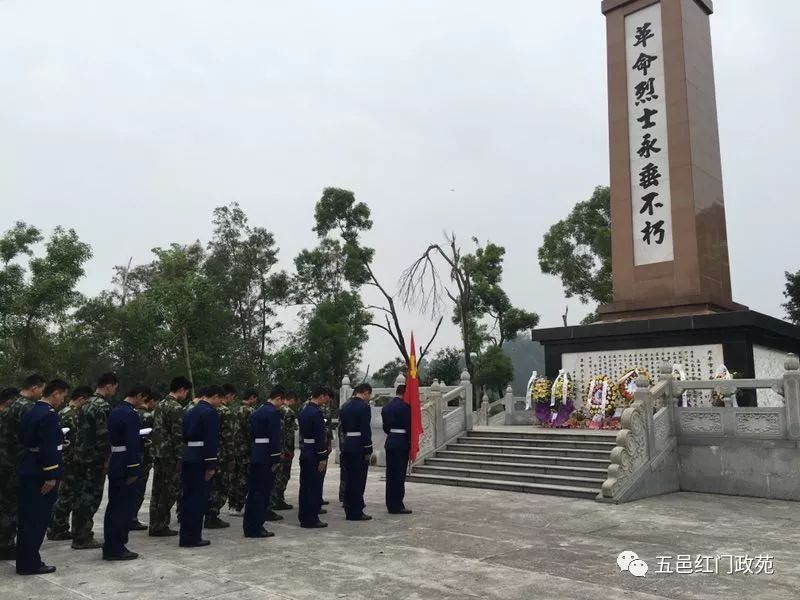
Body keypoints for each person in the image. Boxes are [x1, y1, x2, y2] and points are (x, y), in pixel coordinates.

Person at [16, 379, 68, 575]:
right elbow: (47, 446)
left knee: (27, 519)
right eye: (62, 395)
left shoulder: (31, 411)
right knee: (37, 519)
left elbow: (24, 438)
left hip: (28, 465)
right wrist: (51, 475)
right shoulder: (49, 415)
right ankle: (30, 563)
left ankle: (25, 559)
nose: (63, 400)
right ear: (55, 393)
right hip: (41, 471)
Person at [0, 374, 46, 560]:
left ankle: (4, 542)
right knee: (14, 506)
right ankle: (6, 545)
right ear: (34, 388)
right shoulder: (27, 408)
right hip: (18, 462)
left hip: (4, 459)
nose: (42, 393)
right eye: (42, 389)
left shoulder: (9, 404)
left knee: (4, 504)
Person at [71, 372, 119, 550]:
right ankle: (83, 537)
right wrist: (107, 459)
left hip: (81, 457)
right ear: (108, 386)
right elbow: (104, 436)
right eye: (115, 387)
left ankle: (77, 532)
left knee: (80, 496)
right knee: (90, 498)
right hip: (94, 460)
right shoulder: (102, 407)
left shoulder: (85, 404)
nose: (115, 391)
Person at [103, 385, 149, 561]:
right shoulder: (130, 414)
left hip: (116, 460)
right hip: (125, 463)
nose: (142, 403)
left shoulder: (115, 410)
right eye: (142, 399)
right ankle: (117, 547)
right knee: (123, 508)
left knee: (114, 506)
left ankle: (111, 544)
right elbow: (132, 443)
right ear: (137, 395)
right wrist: (134, 468)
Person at [179, 385, 222, 548]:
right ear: (215, 396)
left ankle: (186, 535)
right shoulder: (209, 412)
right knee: (198, 499)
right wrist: (211, 464)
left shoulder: (190, 411)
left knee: (188, 497)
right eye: (220, 399)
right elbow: (211, 440)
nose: (220, 402)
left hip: (189, 454)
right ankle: (193, 536)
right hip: (201, 458)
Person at [48, 385, 93, 540]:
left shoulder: (61, 412)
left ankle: (56, 526)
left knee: (63, 494)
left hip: (62, 459)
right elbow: (77, 440)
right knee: (68, 495)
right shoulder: (74, 415)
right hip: (72, 461)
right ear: (81, 399)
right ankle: (59, 528)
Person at [149, 376, 192, 537]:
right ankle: (160, 525)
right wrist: (181, 457)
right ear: (181, 390)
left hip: (159, 453)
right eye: (186, 391)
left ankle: (155, 523)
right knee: (169, 490)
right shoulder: (175, 408)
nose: (186, 395)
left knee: (157, 490)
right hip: (170, 455)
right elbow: (178, 435)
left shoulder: (160, 405)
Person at [243, 386, 283, 538]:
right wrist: (276, 458)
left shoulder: (257, 411)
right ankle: (256, 527)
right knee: (263, 493)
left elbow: (251, 434)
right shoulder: (272, 413)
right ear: (278, 398)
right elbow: (274, 437)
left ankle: (249, 525)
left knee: (253, 492)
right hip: (267, 455)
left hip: (256, 453)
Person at [297, 386, 332, 528]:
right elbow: (319, 437)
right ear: (322, 396)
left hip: (305, 449)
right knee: (313, 486)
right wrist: (322, 457)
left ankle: (304, 516)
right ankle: (311, 518)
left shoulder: (304, 411)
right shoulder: (317, 413)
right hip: (314, 452)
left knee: (305, 486)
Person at [339, 383, 374, 521]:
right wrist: (368, 448)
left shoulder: (345, 406)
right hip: (359, 445)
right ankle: (356, 511)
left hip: (348, 444)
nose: (368, 398)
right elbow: (365, 429)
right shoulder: (364, 407)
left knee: (349, 479)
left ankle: (348, 508)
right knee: (358, 480)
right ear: (365, 392)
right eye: (368, 395)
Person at [205, 383, 236, 529]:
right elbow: (228, 436)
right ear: (227, 395)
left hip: (207, 453)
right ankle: (212, 515)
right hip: (221, 454)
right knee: (221, 486)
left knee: (209, 485)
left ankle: (205, 513)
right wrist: (231, 456)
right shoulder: (224, 411)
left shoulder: (204, 409)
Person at [381, 385, 413, 515]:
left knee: (390, 474)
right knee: (399, 475)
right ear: (404, 393)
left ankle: (390, 503)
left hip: (390, 441)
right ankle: (397, 505)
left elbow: (386, 428)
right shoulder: (405, 407)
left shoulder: (387, 407)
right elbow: (409, 427)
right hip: (401, 442)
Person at [228, 389, 258, 517]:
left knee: (233, 477)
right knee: (244, 478)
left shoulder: (234, 409)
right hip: (245, 450)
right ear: (251, 397)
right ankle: (240, 505)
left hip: (234, 449)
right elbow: (253, 431)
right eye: (255, 399)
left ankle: (232, 505)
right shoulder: (250, 411)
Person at [130, 390, 157, 531]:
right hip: (144, 457)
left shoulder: (132, 413)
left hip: (132, 456)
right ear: (151, 401)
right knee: (139, 489)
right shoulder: (148, 416)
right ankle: (132, 517)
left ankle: (128, 516)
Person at [270, 391, 297, 512]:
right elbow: (289, 433)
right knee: (283, 475)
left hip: (276, 448)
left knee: (276, 475)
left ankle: (275, 499)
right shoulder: (289, 412)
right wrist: (290, 449)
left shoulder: (276, 410)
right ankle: (278, 500)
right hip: (285, 449)